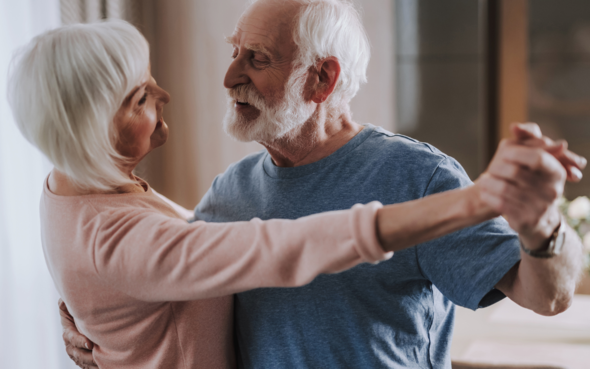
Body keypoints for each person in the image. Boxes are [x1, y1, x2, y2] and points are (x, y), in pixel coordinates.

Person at [7, 17, 558, 369]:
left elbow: (548, 296)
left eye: (257, 59)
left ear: (321, 80)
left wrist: (540, 224)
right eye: (234, 52)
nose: (228, 77)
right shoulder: (228, 194)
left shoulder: (418, 176)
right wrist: (93, 312)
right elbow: (161, 266)